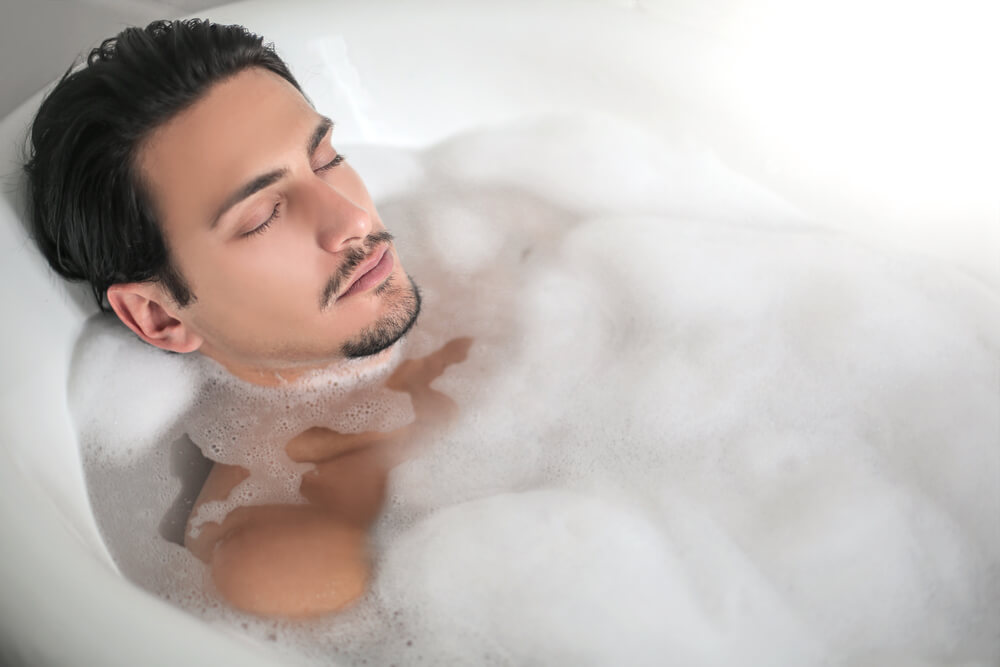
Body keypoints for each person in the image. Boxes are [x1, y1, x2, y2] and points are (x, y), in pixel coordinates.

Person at [22, 18, 470, 617]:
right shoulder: (275, 542)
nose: (353, 222)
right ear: (160, 318)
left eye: (327, 159)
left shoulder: (491, 255)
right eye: (262, 216)